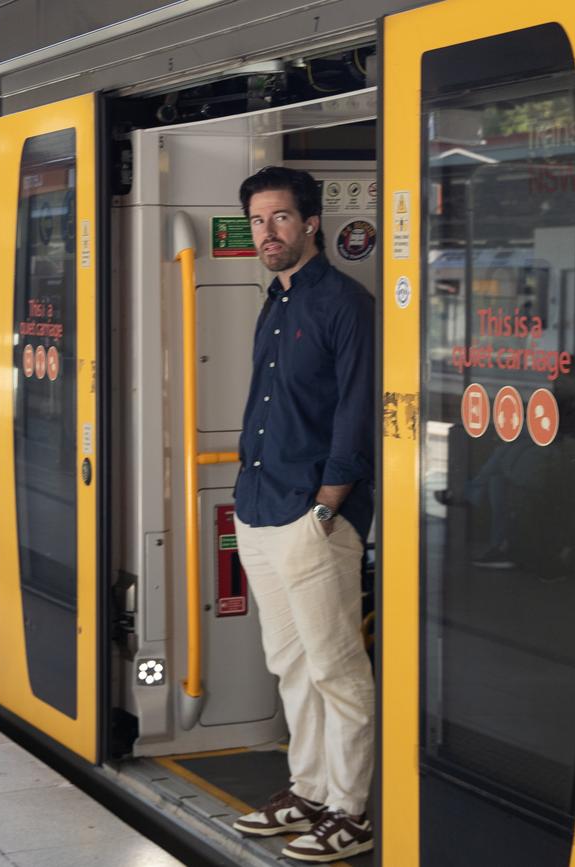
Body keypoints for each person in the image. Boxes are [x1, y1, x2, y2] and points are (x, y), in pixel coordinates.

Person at [231, 166, 375, 863]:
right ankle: (310, 789)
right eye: (259, 221)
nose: (269, 232)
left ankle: (351, 809)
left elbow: (353, 414)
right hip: (259, 506)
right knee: (289, 664)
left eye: (281, 218)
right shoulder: (274, 301)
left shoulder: (345, 303)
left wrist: (327, 506)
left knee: (335, 666)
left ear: (311, 222)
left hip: (312, 514)